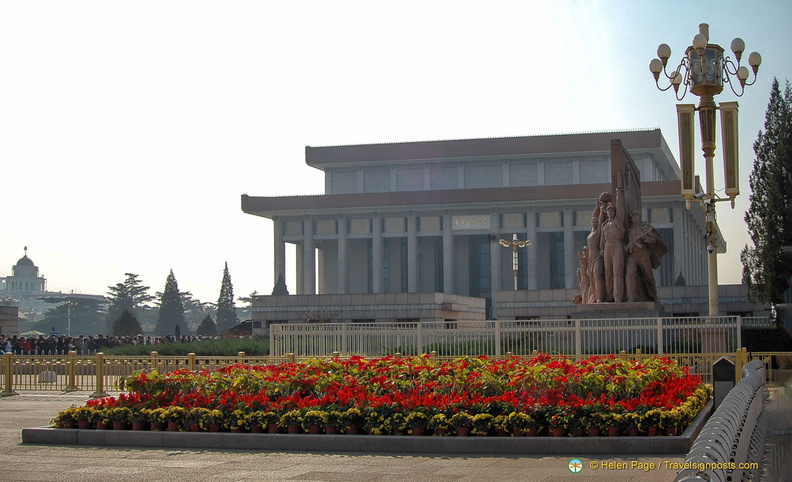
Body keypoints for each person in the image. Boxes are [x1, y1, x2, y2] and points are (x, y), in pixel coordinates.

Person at [625, 210, 666, 302]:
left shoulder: (644, 228)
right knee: (629, 275)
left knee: (648, 276)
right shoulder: (629, 230)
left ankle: (653, 295)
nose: (635, 218)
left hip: (643, 254)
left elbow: (653, 240)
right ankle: (631, 297)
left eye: (637, 216)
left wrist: (645, 238)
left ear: (639, 218)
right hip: (632, 255)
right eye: (633, 216)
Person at [600, 202, 626, 303]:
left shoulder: (617, 222)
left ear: (615, 212)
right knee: (608, 273)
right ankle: (609, 295)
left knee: (617, 271)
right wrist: (602, 249)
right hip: (607, 247)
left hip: (617, 245)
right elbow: (602, 239)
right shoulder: (604, 225)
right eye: (608, 211)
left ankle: (618, 296)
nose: (610, 212)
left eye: (612, 211)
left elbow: (623, 232)